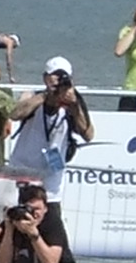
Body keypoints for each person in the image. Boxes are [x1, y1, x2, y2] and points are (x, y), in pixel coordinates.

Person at [5, 57, 91, 201]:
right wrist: (46, 96)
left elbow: (88, 134)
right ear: (45, 78)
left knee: (51, 213)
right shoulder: (33, 96)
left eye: (63, 76)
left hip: (51, 181)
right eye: (55, 75)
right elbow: (15, 114)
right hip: (23, 173)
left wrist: (74, 105)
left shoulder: (73, 102)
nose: (58, 80)